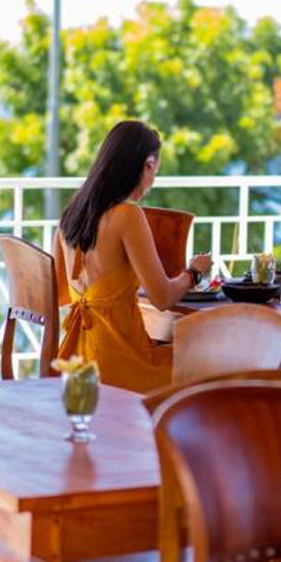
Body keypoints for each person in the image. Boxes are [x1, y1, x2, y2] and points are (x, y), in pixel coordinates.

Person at [54, 120, 212, 393]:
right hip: (120, 366)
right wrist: (195, 271)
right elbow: (162, 298)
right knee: (214, 368)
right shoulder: (128, 215)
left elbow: (65, 292)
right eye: (155, 171)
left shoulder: (71, 214)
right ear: (148, 164)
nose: (152, 180)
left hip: (77, 359)